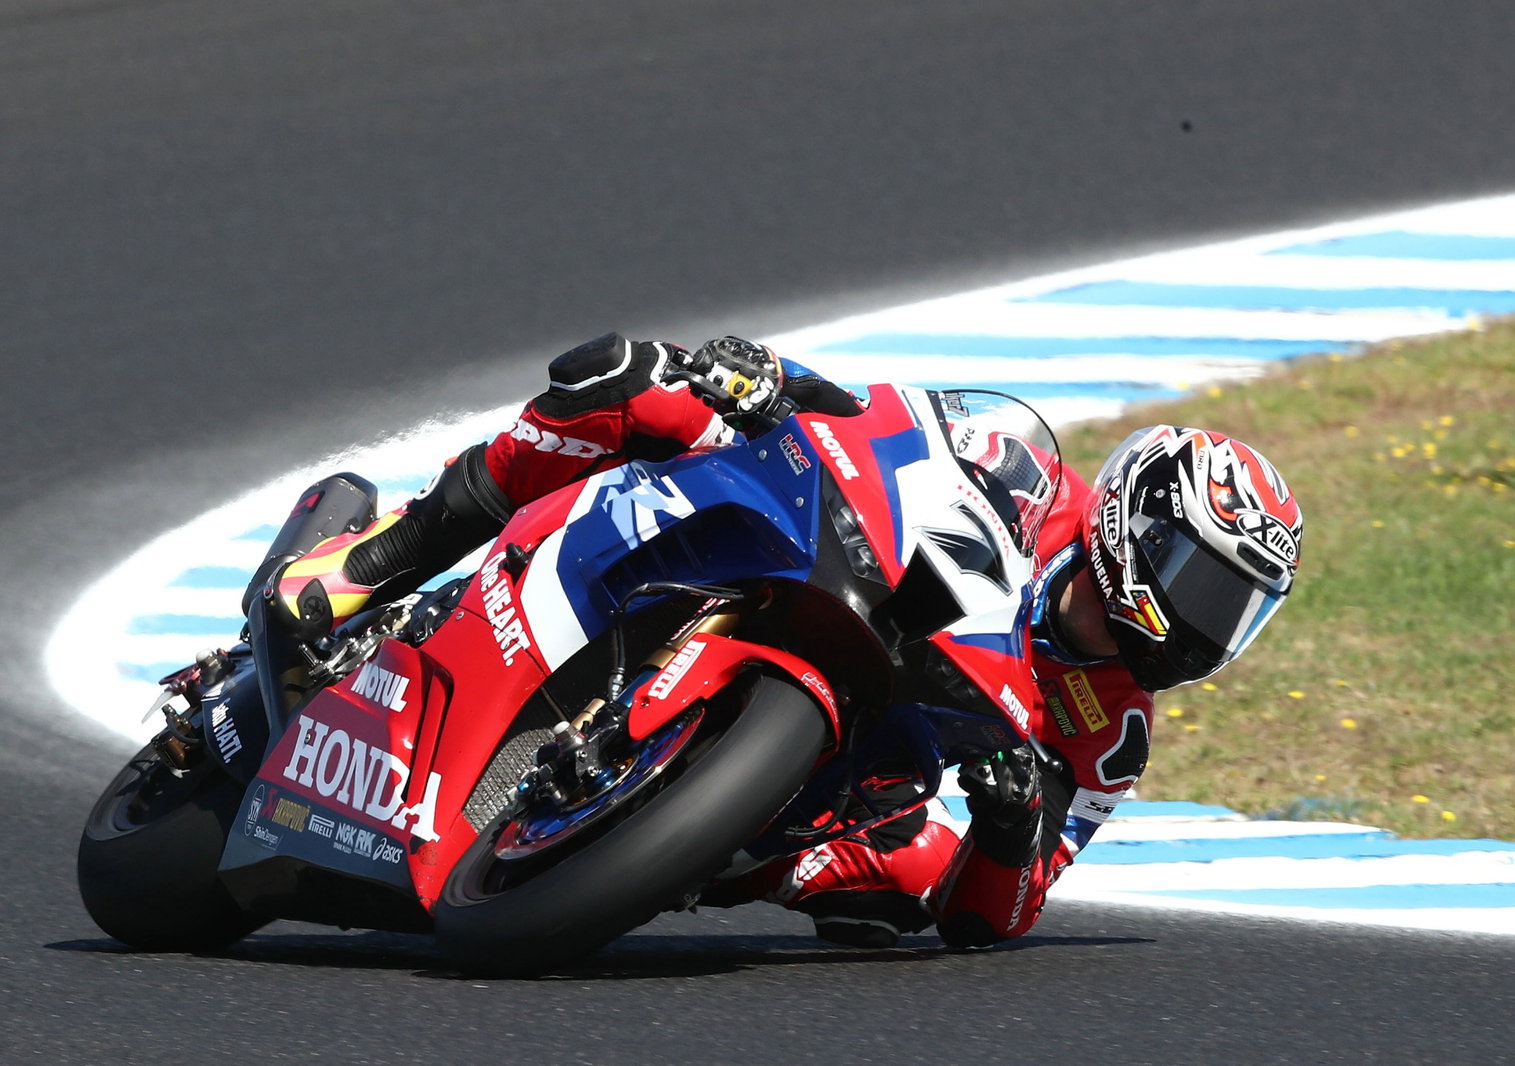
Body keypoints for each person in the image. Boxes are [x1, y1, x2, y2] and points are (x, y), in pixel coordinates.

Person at [268, 331, 1303, 950]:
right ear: (1138, 523)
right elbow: (881, 424)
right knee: (629, 379)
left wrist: (1008, 823)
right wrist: (770, 378)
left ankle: (659, 827)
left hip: (861, 758)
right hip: (824, 568)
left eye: (1234, 611)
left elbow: (1004, 910)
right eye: (1203, 583)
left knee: (906, 881)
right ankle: (373, 565)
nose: (1207, 625)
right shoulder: (1026, 470)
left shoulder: (1111, 728)